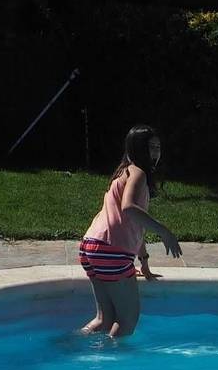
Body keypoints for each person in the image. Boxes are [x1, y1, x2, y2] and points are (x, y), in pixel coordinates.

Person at [78, 124, 182, 337]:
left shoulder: (122, 172)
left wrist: (143, 261)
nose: (156, 152)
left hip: (92, 245)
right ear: (137, 149)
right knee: (127, 321)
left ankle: (73, 346)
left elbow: (133, 224)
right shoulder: (138, 174)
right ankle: (112, 365)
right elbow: (129, 209)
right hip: (111, 250)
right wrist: (165, 231)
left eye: (158, 147)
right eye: (151, 147)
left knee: (104, 319)